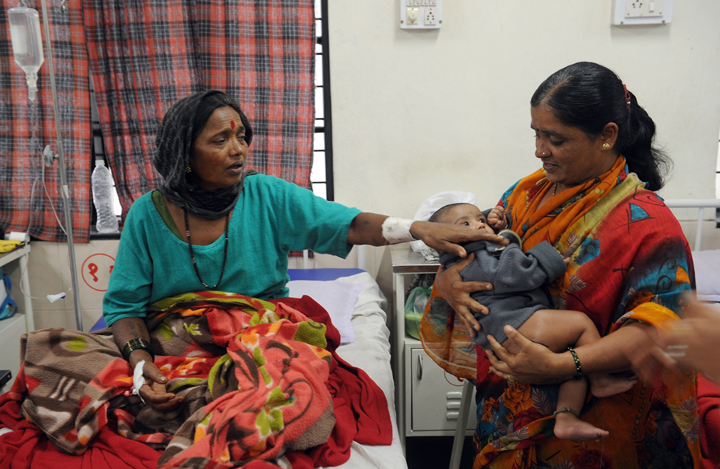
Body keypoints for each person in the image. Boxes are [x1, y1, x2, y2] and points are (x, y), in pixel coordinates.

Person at [106, 89, 501, 411]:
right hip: (177, 341)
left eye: (242, 136)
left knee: (289, 390)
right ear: (185, 155)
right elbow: (125, 307)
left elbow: (347, 223)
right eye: (220, 140)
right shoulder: (146, 215)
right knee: (51, 358)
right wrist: (141, 364)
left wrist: (416, 228)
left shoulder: (266, 196)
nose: (238, 150)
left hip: (259, 337)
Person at [419, 62, 701, 468]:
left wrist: (561, 365)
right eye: (536, 133)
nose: (539, 150)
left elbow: (659, 329)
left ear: (607, 136)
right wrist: (448, 279)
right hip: (510, 403)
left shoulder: (649, 226)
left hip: (600, 423)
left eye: (555, 138)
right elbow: (481, 250)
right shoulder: (525, 193)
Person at [430, 202, 635, 441]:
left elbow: (476, 232)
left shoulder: (463, 254)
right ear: (446, 239)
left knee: (572, 363)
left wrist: (489, 218)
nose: (478, 225)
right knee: (581, 324)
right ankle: (600, 378)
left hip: (505, 331)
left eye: (480, 220)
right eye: (466, 224)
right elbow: (516, 274)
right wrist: (546, 260)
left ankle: (566, 417)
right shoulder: (477, 256)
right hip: (516, 325)